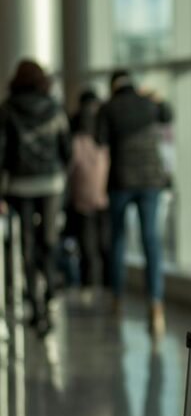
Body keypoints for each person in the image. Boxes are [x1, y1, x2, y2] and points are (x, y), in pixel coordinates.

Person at [96, 70, 172, 337]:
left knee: (118, 238)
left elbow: (99, 139)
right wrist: (156, 99)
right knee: (150, 239)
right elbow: (167, 115)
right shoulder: (147, 103)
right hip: (151, 178)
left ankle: (117, 300)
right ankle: (156, 304)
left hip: (121, 180)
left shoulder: (108, 108)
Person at [0, 58, 72, 337]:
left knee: (26, 245)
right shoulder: (54, 108)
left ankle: (37, 306)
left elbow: (2, 150)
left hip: (19, 185)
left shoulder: (7, 110)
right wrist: (61, 171)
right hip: (51, 182)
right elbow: (66, 147)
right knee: (49, 240)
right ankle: (51, 290)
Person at [67, 89, 110, 296]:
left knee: (87, 245)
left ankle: (89, 285)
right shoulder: (105, 137)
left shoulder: (75, 138)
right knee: (104, 243)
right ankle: (105, 285)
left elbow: (70, 168)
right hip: (103, 196)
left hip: (81, 197)